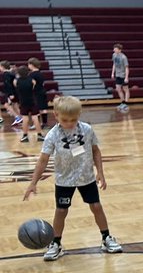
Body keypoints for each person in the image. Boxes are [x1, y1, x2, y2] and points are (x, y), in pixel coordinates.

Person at [22, 95, 122, 261]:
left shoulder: (87, 130)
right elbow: (43, 160)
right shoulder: (52, 135)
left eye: (74, 120)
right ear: (56, 115)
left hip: (86, 178)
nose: (70, 123)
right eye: (65, 120)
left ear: (80, 115)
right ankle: (56, 243)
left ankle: (106, 238)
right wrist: (33, 183)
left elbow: (96, 150)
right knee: (61, 211)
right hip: (64, 180)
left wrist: (100, 172)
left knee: (96, 206)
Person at [15, 61, 43, 143]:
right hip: (32, 100)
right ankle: (40, 135)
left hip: (23, 101)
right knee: (35, 118)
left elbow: (17, 89)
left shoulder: (16, 81)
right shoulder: (32, 81)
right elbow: (34, 89)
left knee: (25, 118)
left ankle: (25, 136)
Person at [111, 44, 131, 112]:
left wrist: (126, 77)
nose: (114, 50)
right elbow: (114, 64)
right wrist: (113, 73)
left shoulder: (123, 57)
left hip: (123, 75)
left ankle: (126, 103)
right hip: (118, 75)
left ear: (119, 50)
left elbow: (126, 68)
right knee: (118, 88)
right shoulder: (114, 55)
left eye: (115, 49)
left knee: (125, 89)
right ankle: (122, 102)